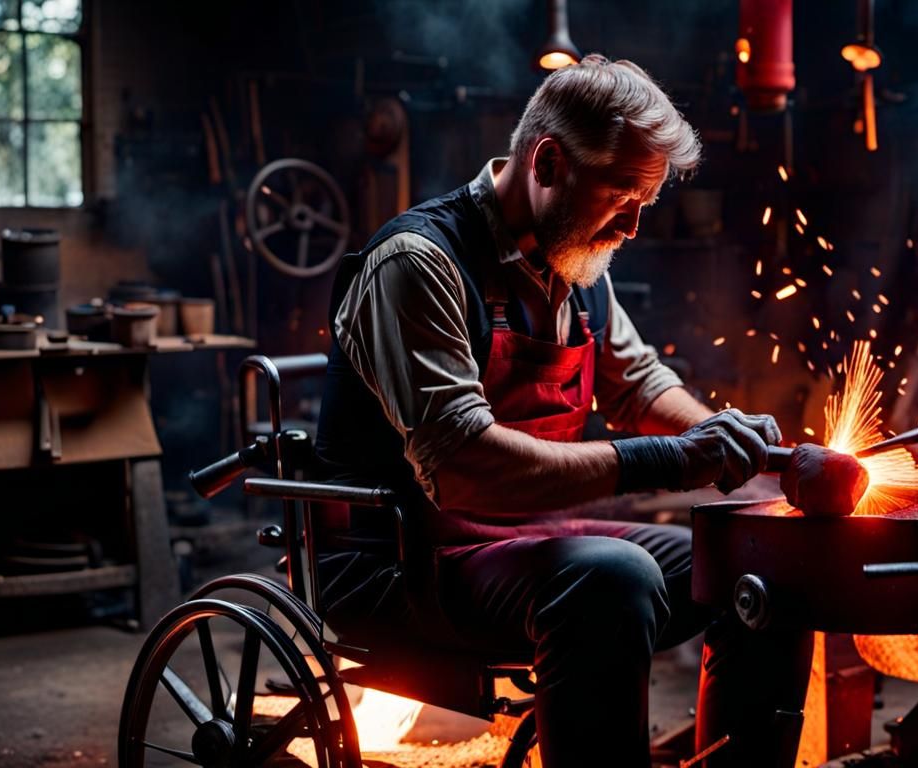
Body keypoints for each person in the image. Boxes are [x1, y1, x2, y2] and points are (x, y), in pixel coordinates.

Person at [315, 54, 812, 768]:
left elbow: (639, 386)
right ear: (548, 163)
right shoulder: (419, 262)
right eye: (622, 194)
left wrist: (720, 435)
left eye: (646, 201)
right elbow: (463, 469)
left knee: (763, 563)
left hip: (527, 536)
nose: (633, 225)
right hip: (402, 559)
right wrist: (670, 459)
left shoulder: (577, 266)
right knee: (613, 577)